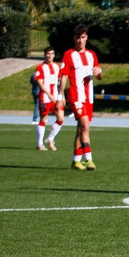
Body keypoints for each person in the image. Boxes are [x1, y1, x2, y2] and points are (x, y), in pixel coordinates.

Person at [62, 26, 101, 170]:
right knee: (85, 125)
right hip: (75, 96)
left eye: (83, 37)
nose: (80, 40)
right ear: (74, 38)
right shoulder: (69, 54)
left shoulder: (92, 55)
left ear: (86, 38)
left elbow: (99, 76)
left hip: (88, 97)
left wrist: (99, 71)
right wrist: (60, 95)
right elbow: (64, 75)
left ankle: (76, 161)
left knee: (81, 129)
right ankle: (89, 159)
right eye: (78, 37)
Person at [32, 47, 65, 151]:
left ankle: (50, 139)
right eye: (48, 54)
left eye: (52, 54)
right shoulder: (40, 67)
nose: (50, 56)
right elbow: (40, 83)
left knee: (61, 119)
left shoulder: (57, 67)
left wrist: (62, 95)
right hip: (45, 97)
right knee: (43, 119)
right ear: (45, 55)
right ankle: (39, 144)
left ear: (54, 55)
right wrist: (49, 94)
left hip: (56, 97)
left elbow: (60, 82)